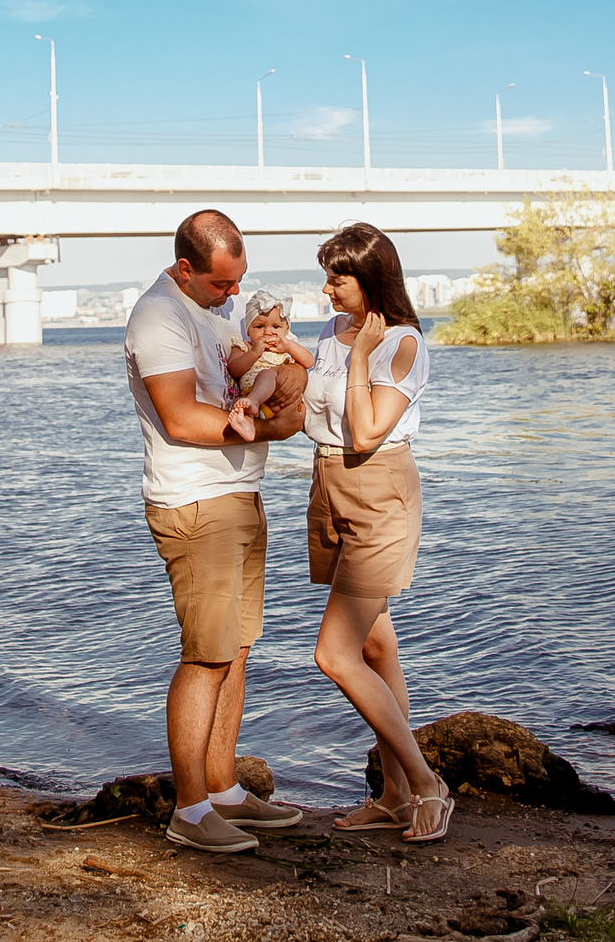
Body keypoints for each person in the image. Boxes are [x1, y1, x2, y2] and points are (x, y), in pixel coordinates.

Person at [124, 208, 313, 853]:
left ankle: (225, 789)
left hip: (239, 493)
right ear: (185, 269)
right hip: (195, 503)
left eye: (239, 282)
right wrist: (275, 428)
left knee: (235, 648)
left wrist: (281, 378)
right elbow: (179, 418)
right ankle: (189, 808)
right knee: (205, 654)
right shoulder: (159, 318)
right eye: (221, 285)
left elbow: (250, 369)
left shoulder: (210, 309)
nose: (234, 295)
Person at [302, 221, 450, 843]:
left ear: (372, 277)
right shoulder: (332, 332)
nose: (329, 288)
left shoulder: (402, 344)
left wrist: (361, 356)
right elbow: (317, 410)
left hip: (377, 491)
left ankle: (426, 785)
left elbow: (365, 433)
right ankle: (391, 795)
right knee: (375, 648)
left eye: (339, 277)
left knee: (333, 655)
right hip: (329, 486)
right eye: (328, 276)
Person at [224, 290, 310, 441]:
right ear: (248, 330)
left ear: (286, 329)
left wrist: (289, 347)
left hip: (276, 401)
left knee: (267, 374)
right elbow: (234, 369)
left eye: (276, 327)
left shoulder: (286, 348)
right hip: (251, 397)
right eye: (259, 327)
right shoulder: (245, 347)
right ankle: (249, 426)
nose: (268, 332)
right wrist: (254, 353)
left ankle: (254, 406)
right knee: (238, 405)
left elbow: (310, 361)